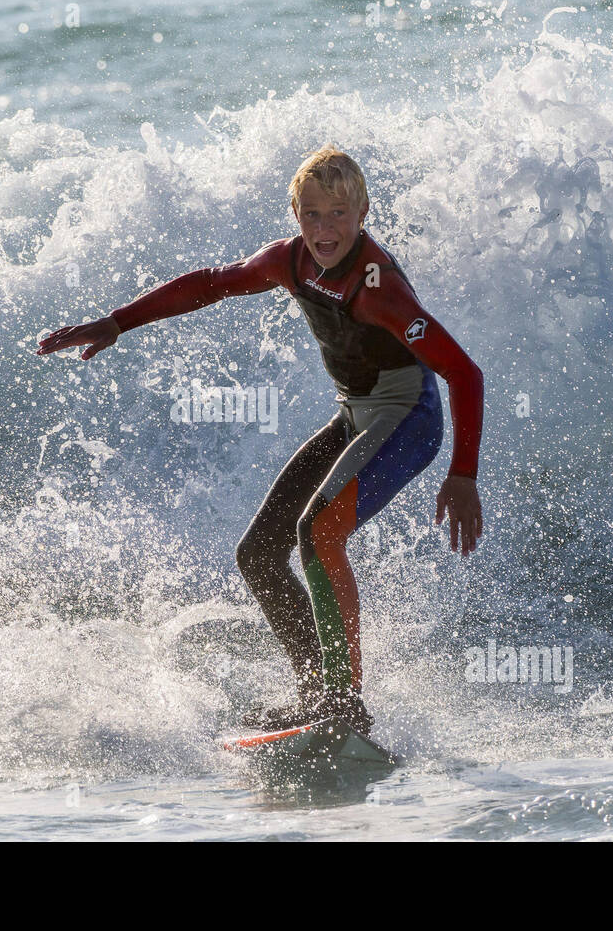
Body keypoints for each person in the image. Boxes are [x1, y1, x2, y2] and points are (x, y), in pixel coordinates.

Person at [36, 146, 484, 736]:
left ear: (364, 213)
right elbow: (210, 285)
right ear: (295, 214)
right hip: (357, 414)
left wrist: (463, 475)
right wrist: (118, 322)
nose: (325, 229)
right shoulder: (289, 261)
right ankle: (313, 689)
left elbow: (464, 372)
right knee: (259, 554)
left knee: (318, 531)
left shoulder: (380, 289)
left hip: (407, 417)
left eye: (340, 214)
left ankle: (342, 700)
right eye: (312, 215)